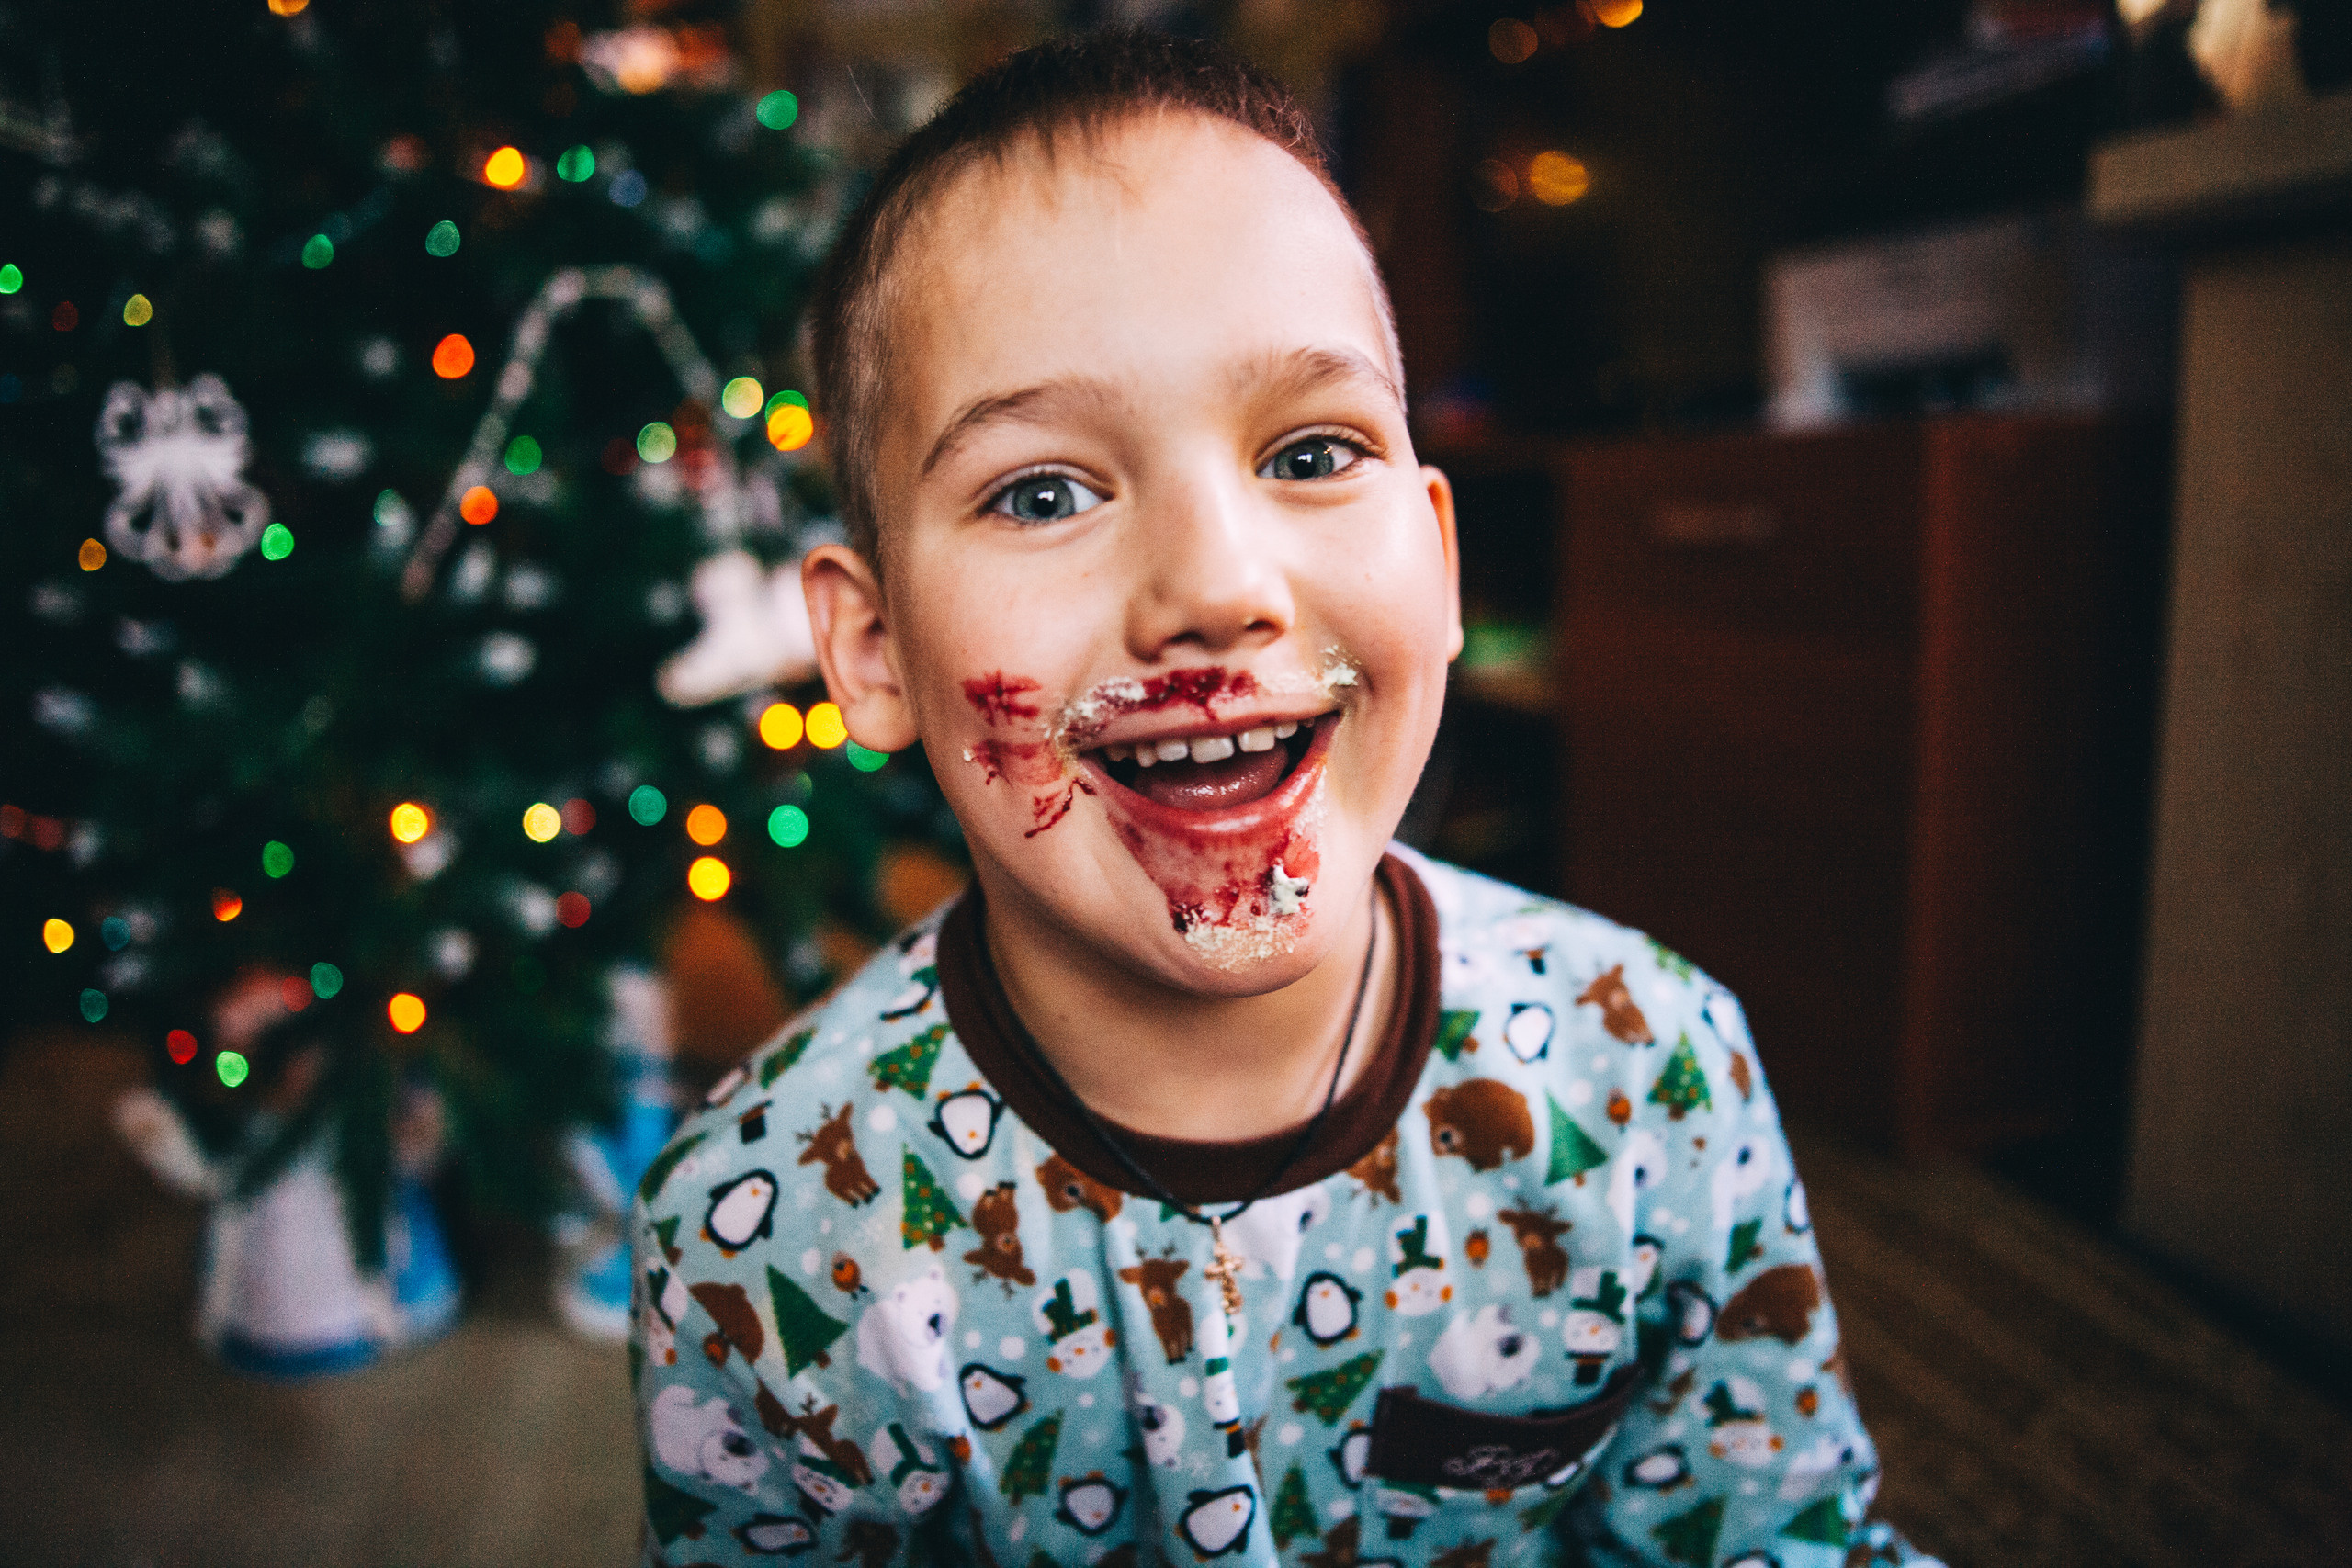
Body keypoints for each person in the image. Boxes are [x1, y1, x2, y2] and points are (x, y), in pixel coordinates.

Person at [631, 31, 1935, 1568]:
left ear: (1441, 567)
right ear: (873, 650)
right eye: (1045, 491)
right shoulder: (758, 1232)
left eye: (1312, 451)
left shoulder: (1654, 1077)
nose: (1219, 589)